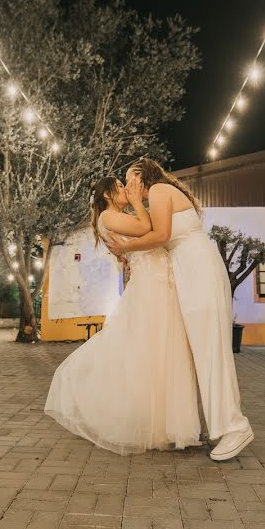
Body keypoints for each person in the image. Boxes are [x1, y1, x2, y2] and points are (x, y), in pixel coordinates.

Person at [104, 158, 254, 461]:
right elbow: (157, 238)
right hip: (190, 270)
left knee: (211, 350)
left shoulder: (158, 190)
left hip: (198, 269)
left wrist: (125, 249)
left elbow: (159, 236)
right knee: (202, 350)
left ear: (140, 178)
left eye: (129, 180)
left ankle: (235, 426)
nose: (128, 186)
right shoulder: (160, 194)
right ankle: (222, 426)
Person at [44, 175, 202, 455]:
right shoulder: (108, 217)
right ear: (107, 195)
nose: (126, 189)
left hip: (156, 279)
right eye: (120, 186)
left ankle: (164, 424)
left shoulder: (116, 216)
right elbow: (146, 226)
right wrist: (136, 201)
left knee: (161, 351)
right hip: (150, 284)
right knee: (150, 348)